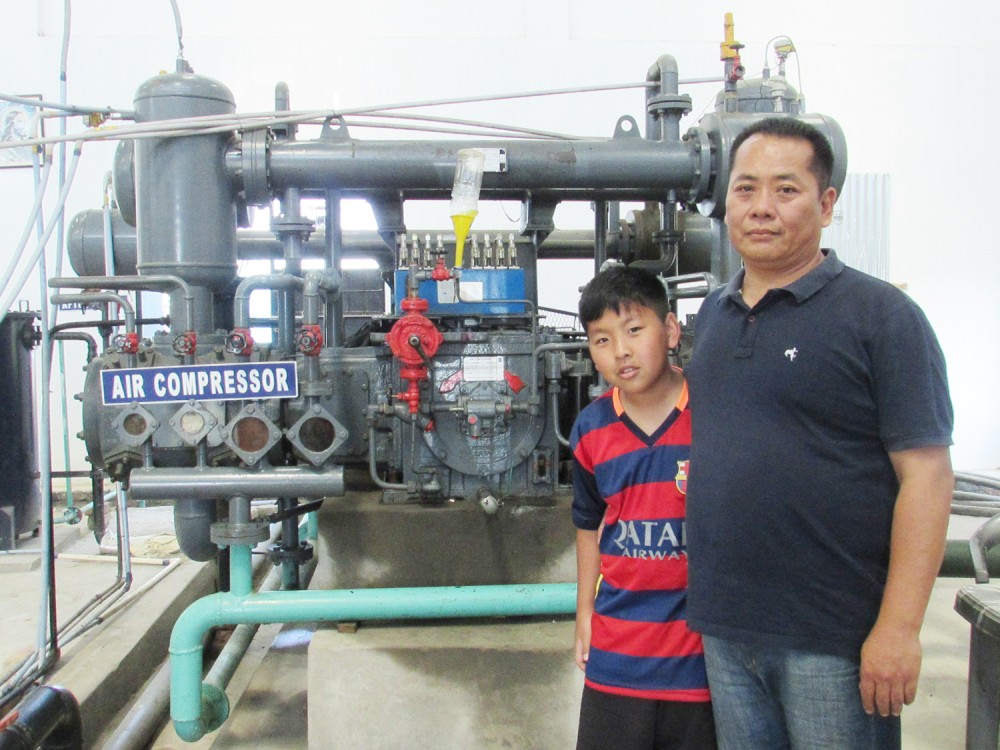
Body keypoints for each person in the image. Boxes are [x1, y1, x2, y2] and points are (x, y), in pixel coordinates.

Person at [684, 116, 954, 750]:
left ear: (826, 204)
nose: (762, 208)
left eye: (786, 189)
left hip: (835, 638)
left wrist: (899, 627)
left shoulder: (882, 317)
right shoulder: (715, 318)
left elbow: (928, 475)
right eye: (746, 190)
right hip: (727, 629)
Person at [571, 264, 716, 750]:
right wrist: (585, 614)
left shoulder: (714, 415)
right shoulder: (591, 429)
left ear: (671, 330)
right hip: (617, 653)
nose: (621, 351)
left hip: (699, 659)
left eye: (634, 330)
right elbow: (588, 524)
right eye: (602, 340)